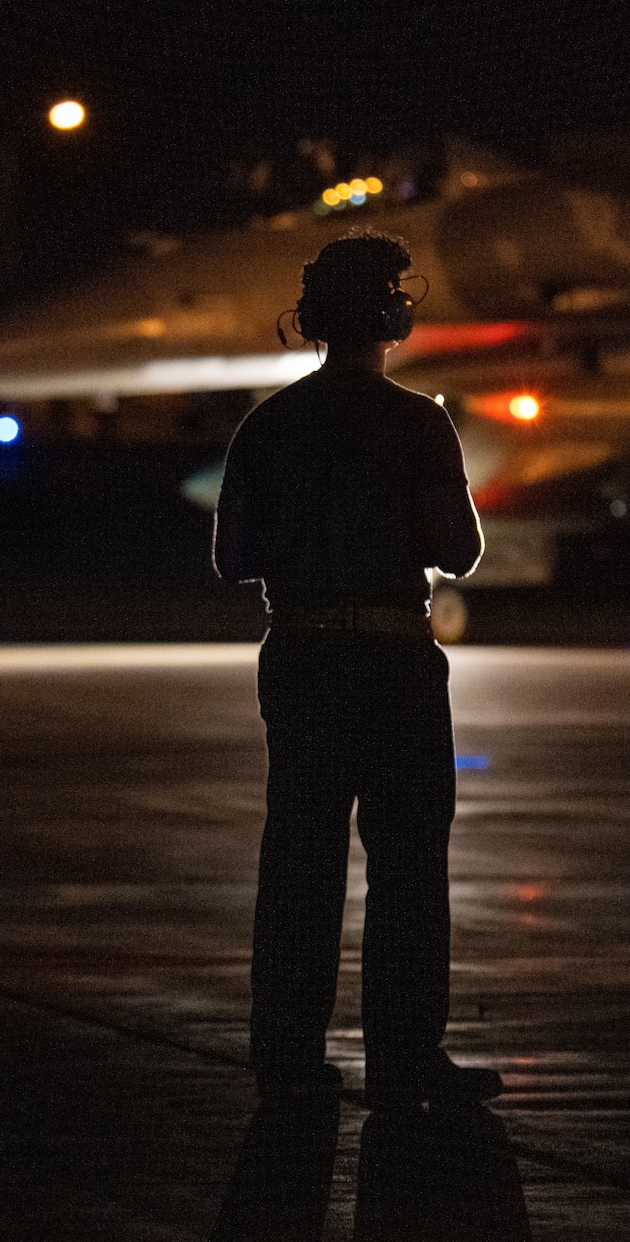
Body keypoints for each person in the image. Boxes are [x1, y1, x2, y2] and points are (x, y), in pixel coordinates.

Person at [214, 230, 502, 1108]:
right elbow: (461, 553)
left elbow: (233, 558)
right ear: (391, 318)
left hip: (300, 658)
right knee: (409, 867)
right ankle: (408, 1059)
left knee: (298, 862)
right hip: (393, 663)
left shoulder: (267, 424)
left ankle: (287, 1058)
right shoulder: (420, 422)